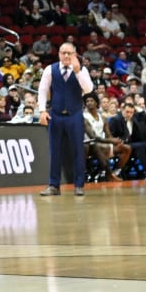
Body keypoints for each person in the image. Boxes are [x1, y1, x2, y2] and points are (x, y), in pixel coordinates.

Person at [38, 43, 92, 197]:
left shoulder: (82, 70)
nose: (66, 56)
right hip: (56, 115)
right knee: (54, 151)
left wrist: (78, 71)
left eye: (69, 53)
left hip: (75, 115)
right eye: (63, 53)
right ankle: (54, 185)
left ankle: (79, 185)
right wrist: (42, 110)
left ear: (75, 54)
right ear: (59, 54)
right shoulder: (50, 69)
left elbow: (88, 89)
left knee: (78, 150)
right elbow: (42, 90)